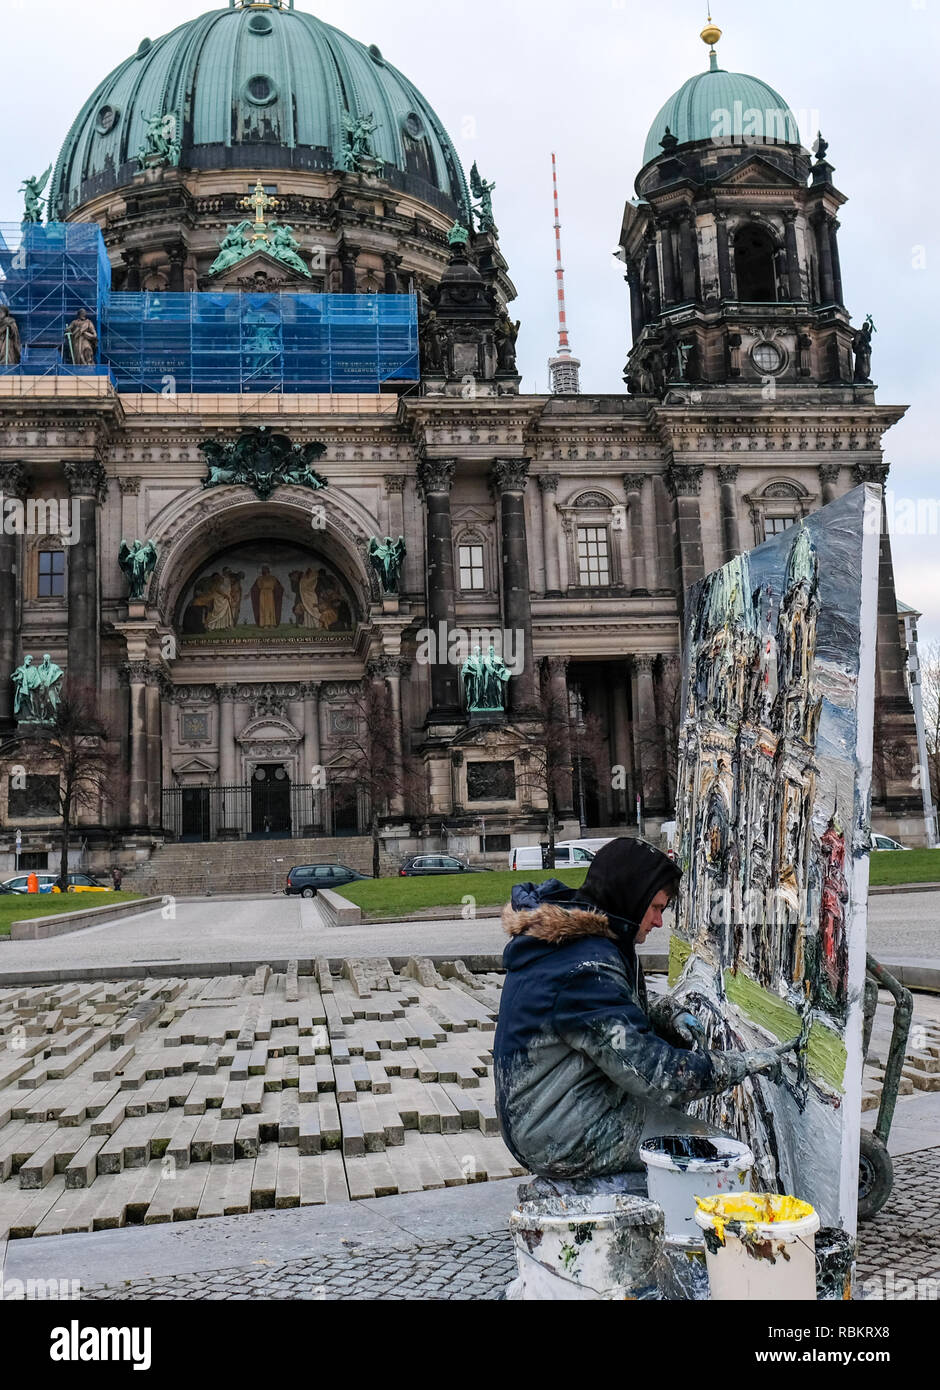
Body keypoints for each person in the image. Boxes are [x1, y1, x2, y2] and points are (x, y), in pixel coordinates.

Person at [494, 837, 799, 1179]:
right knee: (719, 1157)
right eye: (655, 908)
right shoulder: (585, 967)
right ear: (630, 896)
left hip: (547, 1110)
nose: (658, 921)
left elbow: (605, 1010)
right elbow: (657, 1074)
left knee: (684, 1130)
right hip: (557, 1130)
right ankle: (660, 1220)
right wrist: (741, 1064)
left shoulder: (580, 942)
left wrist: (666, 1012)